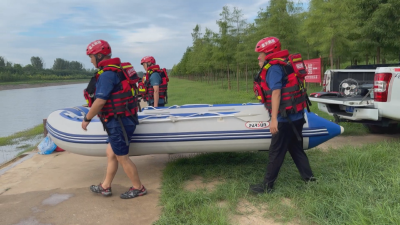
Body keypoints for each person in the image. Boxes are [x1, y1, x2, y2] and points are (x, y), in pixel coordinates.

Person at [82, 39, 147, 199]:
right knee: (111, 153)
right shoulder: (117, 70)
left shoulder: (107, 75)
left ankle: (139, 188)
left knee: (122, 157)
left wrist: (87, 118)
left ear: (99, 55)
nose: (91, 61)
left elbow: (100, 101)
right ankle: (105, 186)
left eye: (91, 57)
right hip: (123, 119)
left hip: (119, 122)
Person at [250, 37, 315, 194]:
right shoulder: (286, 62)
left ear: (270, 52)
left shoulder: (274, 68)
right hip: (297, 115)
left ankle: (267, 187)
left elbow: (276, 92)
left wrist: (274, 120)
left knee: (276, 152)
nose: (259, 56)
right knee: (296, 149)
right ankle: (310, 179)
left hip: (284, 119)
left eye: (262, 53)